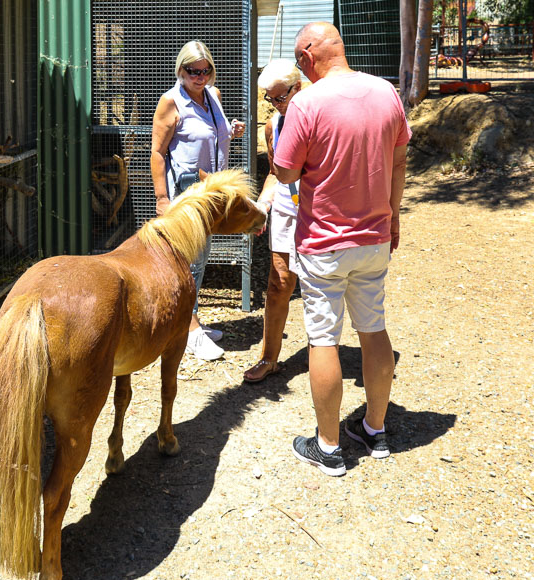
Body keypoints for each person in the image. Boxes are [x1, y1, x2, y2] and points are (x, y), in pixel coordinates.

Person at [272, 22, 411, 476]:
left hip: (324, 243)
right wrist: (393, 216)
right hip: (375, 237)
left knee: (323, 339)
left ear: (308, 57)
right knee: (374, 329)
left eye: (299, 64)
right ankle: (375, 429)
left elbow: (286, 172)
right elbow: (398, 160)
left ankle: (328, 446)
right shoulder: (386, 92)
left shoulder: (306, 102)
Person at [151, 41, 246, 361]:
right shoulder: (171, 102)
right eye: (193, 71)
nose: (200, 77)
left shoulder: (213, 95)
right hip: (186, 195)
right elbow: (157, 153)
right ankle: (188, 331)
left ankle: (190, 322)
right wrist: (162, 198)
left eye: (206, 71)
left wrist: (230, 130)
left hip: (211, 194)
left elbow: (210, 134)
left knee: (201, 259)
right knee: (189, 262)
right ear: (181, 70)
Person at [243, 59, 302, 383]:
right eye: (270, 98)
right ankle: (269, 358)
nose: (276, 104)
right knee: (278, 285)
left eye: (280, 97)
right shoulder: (273, 126)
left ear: (298, 87)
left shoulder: (320, 119)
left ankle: (326, 358)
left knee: (325, 288)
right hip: (285, 210)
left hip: (318, 213)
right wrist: (263, 205)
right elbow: (275, 174)